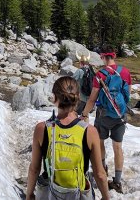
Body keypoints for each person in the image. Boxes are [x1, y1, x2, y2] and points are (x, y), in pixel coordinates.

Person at [26, 76, 110, 200]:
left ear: (54, 98)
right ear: (78, 98)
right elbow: (100, 174)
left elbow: (34, 168)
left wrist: (29, 194)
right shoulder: (89, 131)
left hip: (49, 193)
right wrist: (106, 197)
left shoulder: (42, 128)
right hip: (78, 193)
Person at [80, 45, 131, 194]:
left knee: (100, 144)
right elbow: (127, 95)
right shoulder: (125, 72)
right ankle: (117, 181)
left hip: (103, 117)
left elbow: (92, 98)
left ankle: (102, 170)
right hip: (120, 116)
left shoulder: (100, 74)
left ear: (102, 56)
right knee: (117, 148)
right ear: (114, 56)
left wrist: (84, 113)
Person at [73, 49, 94, 115]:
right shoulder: (92, 71)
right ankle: (85, 125)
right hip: (90, 98)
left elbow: (71, 81)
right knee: (85, 115)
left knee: (75, 114)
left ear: (81, 63)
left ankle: (76, 125)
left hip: (81, 98)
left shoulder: (79, 71)